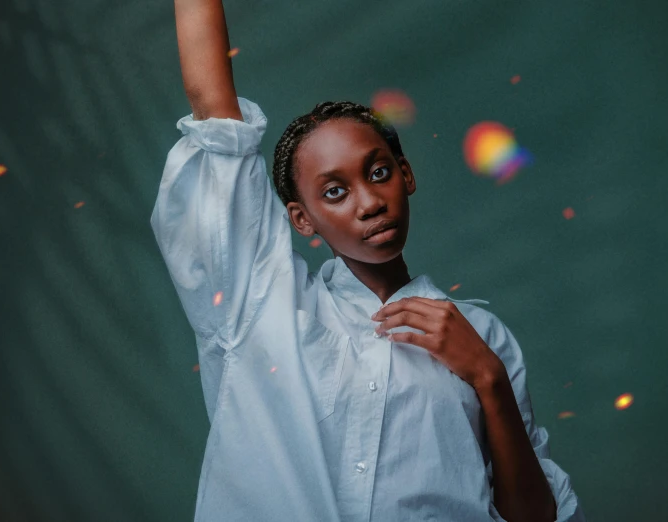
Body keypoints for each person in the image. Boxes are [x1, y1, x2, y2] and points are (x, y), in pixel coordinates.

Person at [150, 1, 587, 521]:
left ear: (407, 175)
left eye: (378, 173)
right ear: (301, 218)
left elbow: (532, 517)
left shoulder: (485, 337)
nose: (369, 202)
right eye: (334, 191)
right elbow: (214, 110)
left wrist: (488, 377)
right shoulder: (262, 305)